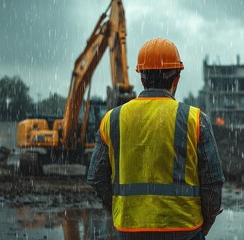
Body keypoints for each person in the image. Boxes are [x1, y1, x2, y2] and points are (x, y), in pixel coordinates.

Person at [87, 38, 224, 240]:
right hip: (185, 231)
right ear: (176, 78)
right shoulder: (195, 120)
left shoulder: (111, 119)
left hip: (129, 231)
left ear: (142, 78)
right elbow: (213, 183)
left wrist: (120, 213)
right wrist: (204, 224)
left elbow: (96, 178)